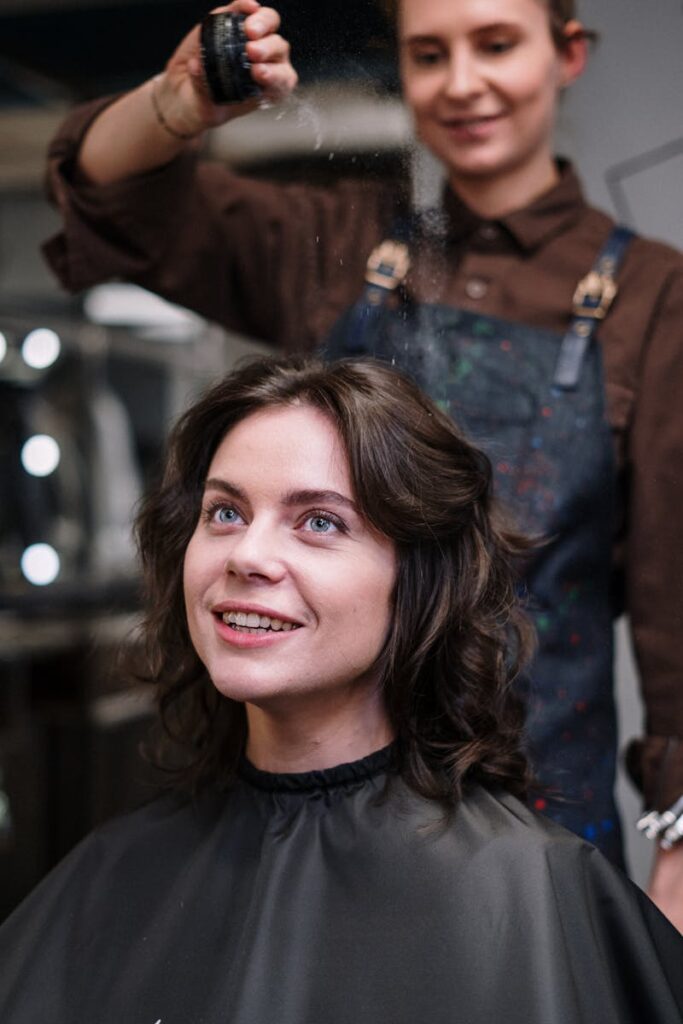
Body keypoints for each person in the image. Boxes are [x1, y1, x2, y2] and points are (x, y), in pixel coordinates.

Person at [42, 0, 683, 922]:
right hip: (310, 809)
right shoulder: (347, 250)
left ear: (566, 54)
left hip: (539, 816)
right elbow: (109, 196)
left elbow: (673, 609)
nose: (461, 83)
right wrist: (177, 104)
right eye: (428, 55)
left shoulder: (651, 299)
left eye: (495, 45)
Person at [0, 355, 682, 1022]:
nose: (247, 555)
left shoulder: (533, 893)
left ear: (417, 580)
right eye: (225, 513)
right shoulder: (111, 877)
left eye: (319, 522)